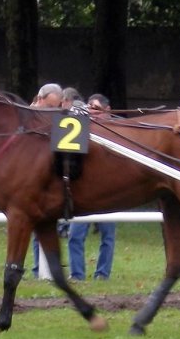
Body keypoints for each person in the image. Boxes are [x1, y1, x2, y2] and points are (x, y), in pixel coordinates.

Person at [67, 93, 116, 280]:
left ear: (107, 111)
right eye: (89, 107)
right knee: (75, 236)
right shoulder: (80, 129)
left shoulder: (117, 130)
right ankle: (77, 275)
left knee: (108, 237)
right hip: (84, 192)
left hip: (109, 193)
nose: (91, 112)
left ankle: (102, 274)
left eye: (95, 108)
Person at [30, 83, 64, 278]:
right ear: (39, 99)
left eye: (57, 107)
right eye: (50, 107)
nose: (53, 112)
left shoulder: (58, 121)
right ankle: (38, 269)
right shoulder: (24, 119)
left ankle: (46, 271)